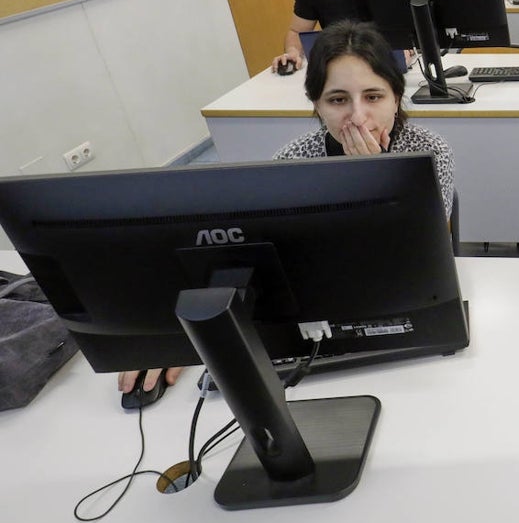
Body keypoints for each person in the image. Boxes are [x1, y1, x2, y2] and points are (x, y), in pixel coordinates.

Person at [118, 21, 457, 397]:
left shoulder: (427, 152)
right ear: (316, 104)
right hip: (319, 322)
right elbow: (266, 265)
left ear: (396, 97)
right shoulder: (294, 160)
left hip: (403, 317)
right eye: (338, 99)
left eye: (374, 97)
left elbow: (424, 260)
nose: (358, 117)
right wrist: (181, 337)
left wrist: (373, 178)